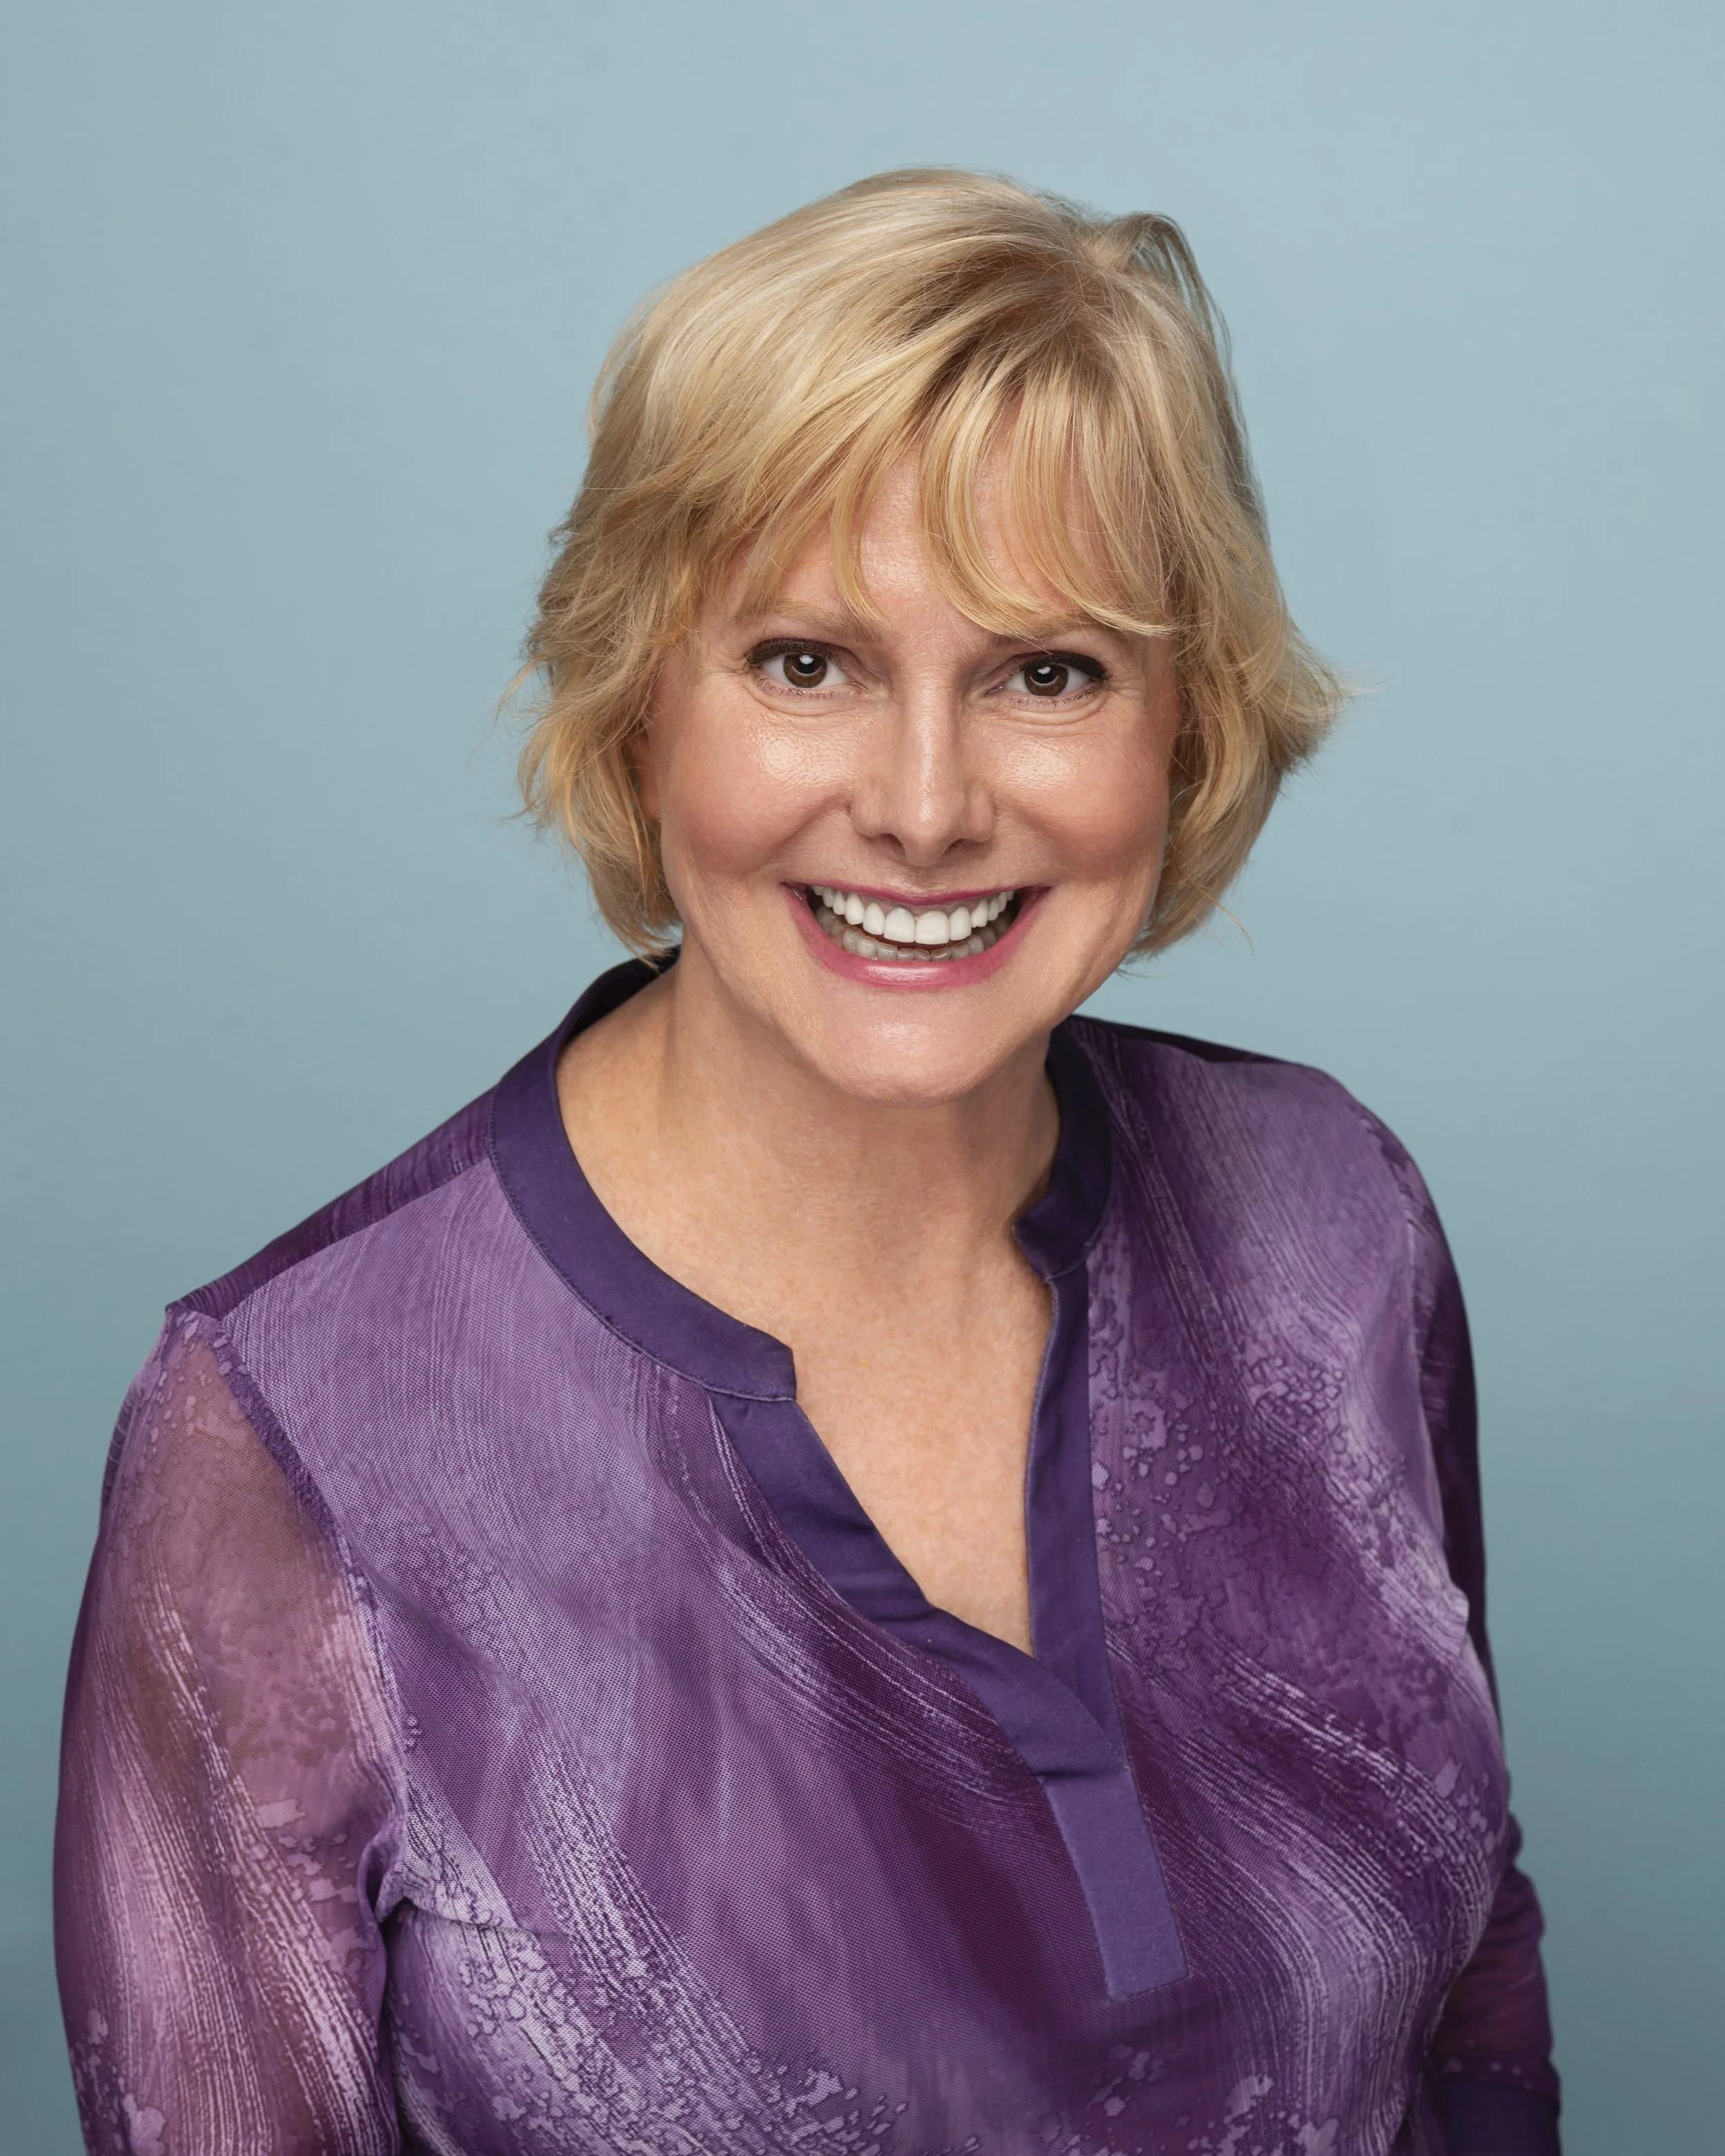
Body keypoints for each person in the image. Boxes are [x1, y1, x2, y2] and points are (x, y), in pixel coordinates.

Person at [54, 169, 1560, 2155]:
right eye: (801, 663)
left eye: (1047, 671)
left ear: (1183, 726)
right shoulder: (293, 1435)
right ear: (635, 700)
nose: (923, 805)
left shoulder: (1327, 1220)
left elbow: (1464, 1996)